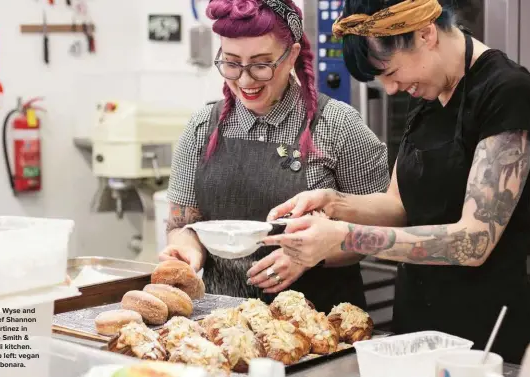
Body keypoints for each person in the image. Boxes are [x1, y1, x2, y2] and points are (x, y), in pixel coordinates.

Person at [262, 0, 530, 364]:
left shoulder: (507, 92)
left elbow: (475, 242)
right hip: (416, 323)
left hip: (486, 334)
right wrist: (333, 202)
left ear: (425, 33)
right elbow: (398, 205)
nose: (391, 89)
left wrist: (344, 236)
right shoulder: (427, 88)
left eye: (390, 71)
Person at [159, 0, 390, 313]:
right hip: (221, 324)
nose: (244, 80)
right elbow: (182, 224)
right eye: (231, 63)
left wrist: (313, 254)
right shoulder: (202, 127)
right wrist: (187, 250)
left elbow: (382, 227)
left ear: (292, 55)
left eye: (260, 64)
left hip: (320, 327)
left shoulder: (337, 126)